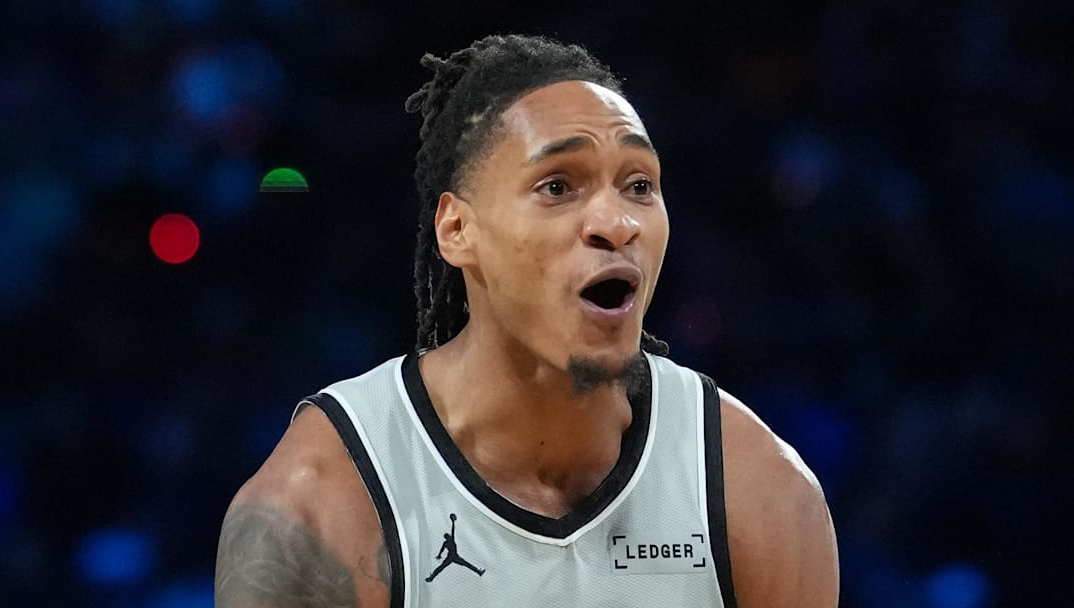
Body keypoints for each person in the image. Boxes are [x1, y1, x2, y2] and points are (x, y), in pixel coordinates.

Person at [215, 34, 838, 607]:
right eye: (558, 186)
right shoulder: (316, 506)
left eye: (639, 184)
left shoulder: (759, 493)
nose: (616, 223)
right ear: (457, 230)